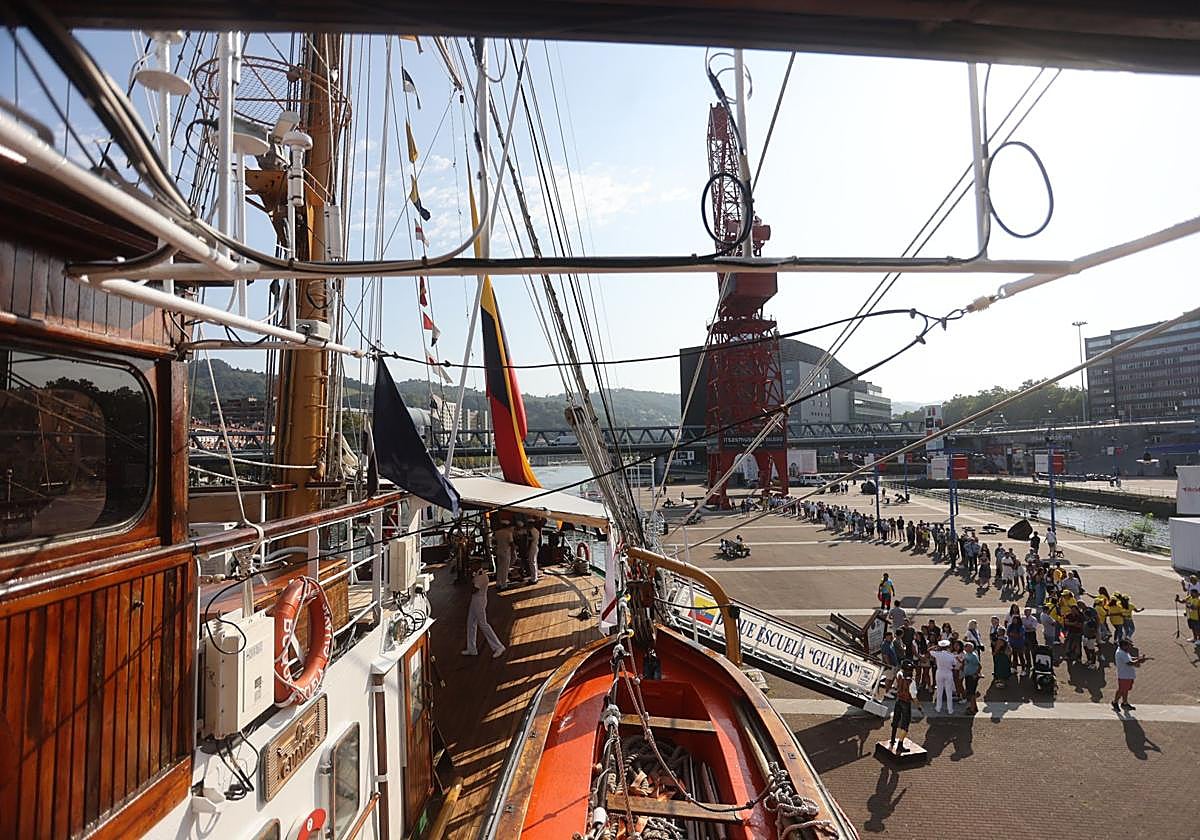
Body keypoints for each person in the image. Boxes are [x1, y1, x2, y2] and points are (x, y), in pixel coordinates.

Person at [463, 563, 506, 658]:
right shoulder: (478, 574)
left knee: (483, 624)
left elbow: (473, 590)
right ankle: (472, 648)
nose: (471, 565)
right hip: (475, 600)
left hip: (479, 601)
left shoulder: (481, 577)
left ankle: (498, 646)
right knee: (471, 623)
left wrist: (469, 579)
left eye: (473, 563)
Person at [888, 660, 922, 752]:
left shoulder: (899, 675)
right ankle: (900, 746)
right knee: (905, 726)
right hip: (906, 703)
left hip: (898, 700)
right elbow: (914, 697)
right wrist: (919, 706)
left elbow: (899, 674)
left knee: (895, 721)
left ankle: (892, 740)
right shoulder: (911, 682)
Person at [1111, 638, 1148, 711]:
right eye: (1128, 646)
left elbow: (1129, 658)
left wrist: (1138, 658)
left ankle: (1125, 703)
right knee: (1121, 690)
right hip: (1124, 675)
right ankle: (1115, 702)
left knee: (1126, 689)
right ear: (1123, 646)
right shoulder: (1121, 653)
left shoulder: (1124, 651)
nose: (1129, 647)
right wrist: (1139, 660)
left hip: (1128, 675)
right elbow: (1130, 663)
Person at [931, 639, 957, 713]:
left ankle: (938, 708)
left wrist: (935, 646)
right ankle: (950, 709)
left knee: (939, 691)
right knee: (949, 692)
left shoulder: (937, 654)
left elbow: (929, 650)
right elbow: (954, 664)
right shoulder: (951, 655)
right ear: (948, 647)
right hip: (948, 673)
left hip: (939, 672)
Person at [492, 517, 514, 590]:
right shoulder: (509, 533)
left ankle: (498, 583)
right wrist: (513, 552)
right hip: (506, 552)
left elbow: (494, 542)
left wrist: (495, 549)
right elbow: (511, 543)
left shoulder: (497, 532)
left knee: (499, 568)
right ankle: (504, 585)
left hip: (499, 551)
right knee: (505, 569)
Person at [962, 641, 982, 714]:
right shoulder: (967, 654)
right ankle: (974, 707)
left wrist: (975, 674)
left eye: (967, 646)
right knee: (970, 692)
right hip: (968, 676)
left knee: (971, 693)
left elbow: (979, 666)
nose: (965, 648)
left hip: (972, 676)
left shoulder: (973, 656)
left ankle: (972, 709)